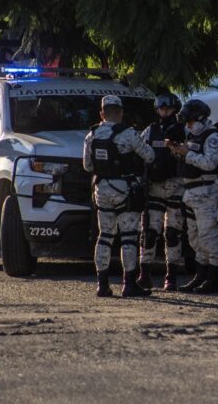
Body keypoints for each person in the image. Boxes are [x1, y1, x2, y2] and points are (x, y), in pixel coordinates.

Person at [83, 95, 155, 298]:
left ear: (102, 114)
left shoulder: (92, 135)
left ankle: (102, 284)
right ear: (121, 113)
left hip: (101, 189)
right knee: (129, 238)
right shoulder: (128, 134)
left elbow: (87, 166)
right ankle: (129, 284)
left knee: (105, 236)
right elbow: (149, 155)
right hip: (125, 190)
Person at [168, 99, 218, 294]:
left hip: (205, 191)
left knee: (208, 236)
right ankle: (200, 276)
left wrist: (187, 154)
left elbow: (210, 163)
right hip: (190, 192)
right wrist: (178, 151)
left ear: (201, 119)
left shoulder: (213, 137)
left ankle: (213, 278)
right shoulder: (194, 137)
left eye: (190, 122)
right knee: (194, 238)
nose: (188, 126)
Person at [137, 93, 186, 292]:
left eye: (169, 109)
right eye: (162, 109)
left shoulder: (184, 130)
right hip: (154, 188)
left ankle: (171, 276)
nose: (165, 112)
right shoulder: (151, 130)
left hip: (176, 185)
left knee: (172, 233)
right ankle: (144, 274)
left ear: (175, 109)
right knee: (149, 233)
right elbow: (138, 151)